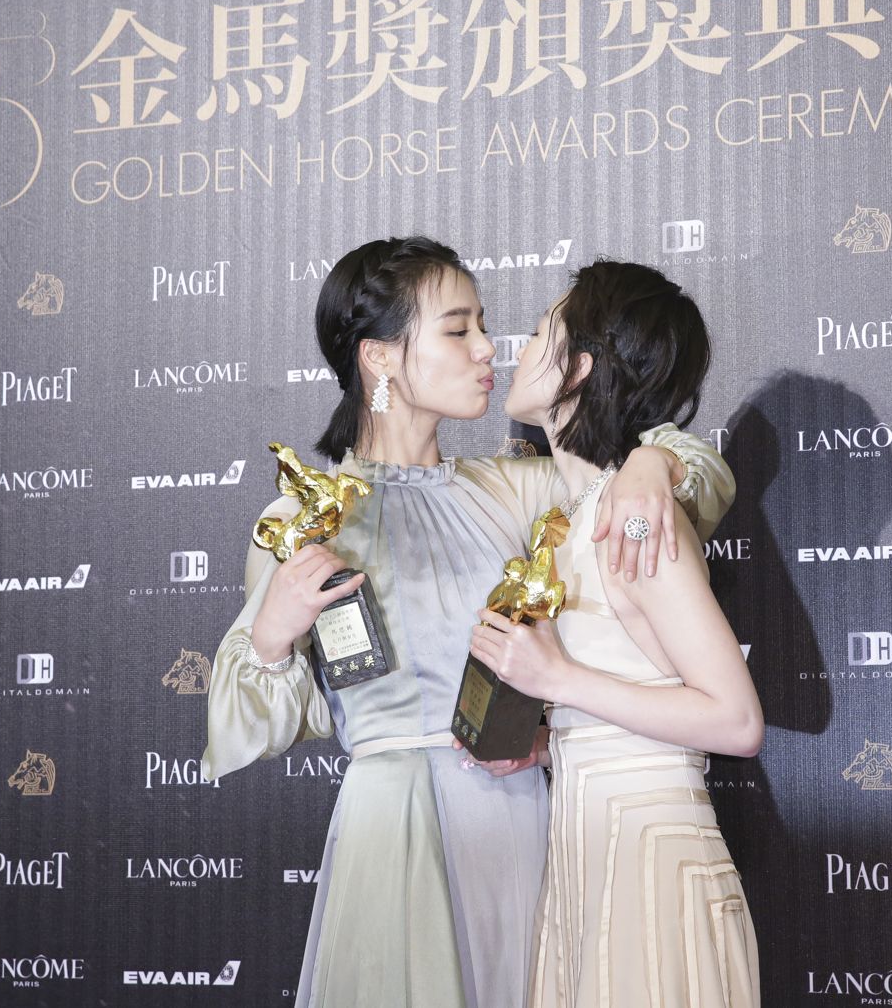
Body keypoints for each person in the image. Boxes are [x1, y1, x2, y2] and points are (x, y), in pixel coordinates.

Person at [200, 237, 736, 1008]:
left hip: (527, 820)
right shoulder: (303, 519)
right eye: (458, 329)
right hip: (395, 829)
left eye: (482, 324)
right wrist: (273, 634)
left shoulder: (517, 491)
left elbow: (668, 477)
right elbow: (258, 722)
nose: (488, 348)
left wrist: (658, 463)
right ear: (380, 357)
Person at [471, 259, 764, 1008]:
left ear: (579, 367)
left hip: (650, 857)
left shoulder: (631, 520)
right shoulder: (579, 519)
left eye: (542, 332)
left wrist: (558, 680)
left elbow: (736, 721)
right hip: (588, 849)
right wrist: (548, 741)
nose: (518, 349)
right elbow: (638, 691)